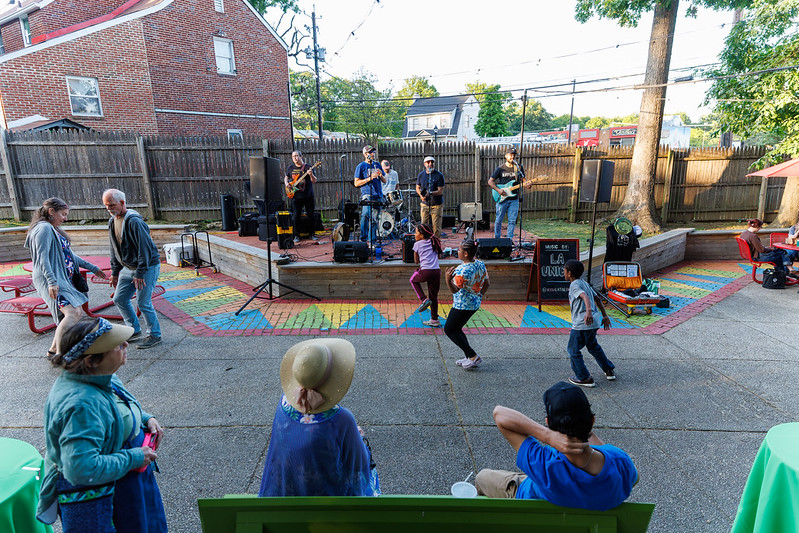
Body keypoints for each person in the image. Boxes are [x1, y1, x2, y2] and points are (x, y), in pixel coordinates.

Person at [37, 317, 167, 532]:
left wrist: (145, 418)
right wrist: (134, 457)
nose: (125, 345)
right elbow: (80, 469)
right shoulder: (81, 406)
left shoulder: (101, 377)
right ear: (91, 360)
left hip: (124, 479)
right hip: (104, 496)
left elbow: (117, 405)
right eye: (117, 344)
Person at [475, 381, 638, 511]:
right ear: (592, 420)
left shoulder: (543, 464)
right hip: (583, 517)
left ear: (547, 423)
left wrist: (548, 436)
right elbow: (634, 479)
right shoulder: (620, 460)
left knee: (482, 477)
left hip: (529, 498)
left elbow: (500, 414)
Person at [259, 338, 380, 496]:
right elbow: (360, 468)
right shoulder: (341, 420)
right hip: (329, 510)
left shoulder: (284, 403)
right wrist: (358, 437)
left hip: (282, 502)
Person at [24, 197, 108, 357]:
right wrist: (52, 282)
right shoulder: (43, 229)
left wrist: (93, 268)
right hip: (53, 279)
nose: (65, 218)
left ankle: (54, 351)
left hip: (59, 279)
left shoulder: (50, 228)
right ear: (51, 211)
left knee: (72, 313)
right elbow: (42, 258)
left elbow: (69, 255)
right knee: (73, 313)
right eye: (63, 214)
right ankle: (62, 352)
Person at [102, 189, 163, 349]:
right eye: (106, 206)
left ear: (122, 203)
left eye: (111, 205)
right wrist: (115, 272)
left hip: (147, 266)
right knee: (119, 298)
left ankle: (154, 335)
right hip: (128, 268)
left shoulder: (135, 221)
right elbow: (114, 248)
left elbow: (145, 249)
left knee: (143, 303)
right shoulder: (112, 221)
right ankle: (134, 330)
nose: (109, 209)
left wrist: (141, 272)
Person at [563, 259, 615, 388]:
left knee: (573, 350)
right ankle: (608, 370)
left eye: (564, 270)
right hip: (594, 322)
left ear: (569, 273)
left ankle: (583, 377)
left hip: (583, 322)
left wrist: (588, 312)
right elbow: (597, 298)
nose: (563, 273)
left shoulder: (574, 285)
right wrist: (604, 315)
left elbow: (585, 297)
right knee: (593, 346)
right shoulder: (584, 283)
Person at [445, 239, 489, 370]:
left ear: (465, 254)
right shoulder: (480, 264)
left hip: (462, 305)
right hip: (474, 303)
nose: (457, 252)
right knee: (457, 329)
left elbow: (454, 289)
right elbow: (487, 283)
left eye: (459, 250)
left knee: (449, 329)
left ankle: (473, 356)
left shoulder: (462, 270)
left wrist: (447, 280)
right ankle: (468, 356)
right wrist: (480, 295)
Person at [488, 147, 525, 240]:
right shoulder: (500, 168)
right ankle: (497, 238)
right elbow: (490, 181)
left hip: (514, 199)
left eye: (514, 155)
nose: (512, 157)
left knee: (512, 221)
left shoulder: (519, 168)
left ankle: (509, 240)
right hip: (502, 198)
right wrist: (498, 190)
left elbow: (523, 180)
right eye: (510, 155)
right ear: (506, 156)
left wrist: (527, 184)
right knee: (498, 220)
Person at [411, 224, 443, 327]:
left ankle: (424, 299)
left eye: (416, 232)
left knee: (413, 280)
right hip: (436, 271)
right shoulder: (434, 241)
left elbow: (416, 261)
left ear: (421, 235)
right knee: (434, 296)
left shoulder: (417, 244)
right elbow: (438, 255)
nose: (414, 234)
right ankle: (434, 320)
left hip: (426, 271)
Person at [285, 150, 318, 244]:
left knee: (311, 215)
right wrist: (287, 183)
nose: (295, 158)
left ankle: (312, 234)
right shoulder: (290, 168)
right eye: (293, 156)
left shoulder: (308, 167)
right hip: (295, 196)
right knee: (296, 216)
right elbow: (286, 177)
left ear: (301, 156)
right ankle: (297, 235)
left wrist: (311, 174)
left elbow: (314, 181)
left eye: (296, 156)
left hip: (308, 196)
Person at [354, 145, 385, 242]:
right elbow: (356, 183)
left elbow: (384, 180)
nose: (373, 154)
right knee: (366, 216)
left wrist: (380, 175)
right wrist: (370, 178)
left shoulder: (377, 165)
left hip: (378, 195)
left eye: (373, 152)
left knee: (374, 219)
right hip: (367, 195)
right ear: (365, 154)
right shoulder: (361, 166)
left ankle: (373, 241)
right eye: (371, 152)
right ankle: (363, 240)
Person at [416, 156, 446, 239]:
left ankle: (436, 245)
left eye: (432, 162)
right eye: (428, 162)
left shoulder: (439, 175)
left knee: (436, 227)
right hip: (425, 204)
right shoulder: (421, 175)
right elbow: (417, 187)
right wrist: (421, 195)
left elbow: (440, 191)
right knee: (423, 225)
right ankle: (424, 244)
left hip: (436, 204)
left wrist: (430, 193)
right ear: (424, 164)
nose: (430, 164)